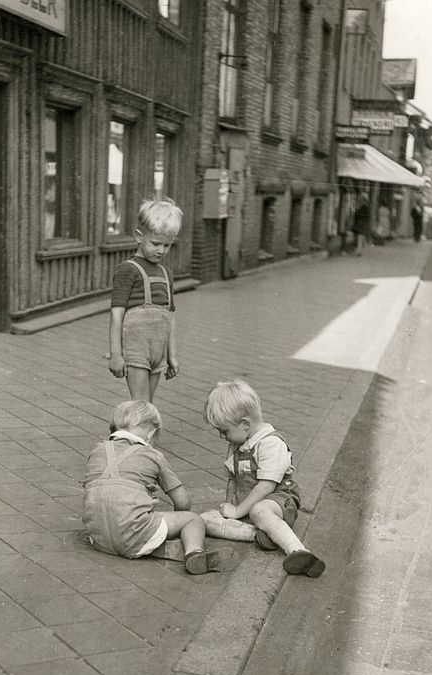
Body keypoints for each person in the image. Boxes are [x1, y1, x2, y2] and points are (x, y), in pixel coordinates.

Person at [82, 400, 222, 574]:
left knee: (118, 518)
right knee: (193, 520)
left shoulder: (97, 450)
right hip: (133, 529)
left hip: (99, 537)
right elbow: (183, 500)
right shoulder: (153, 455)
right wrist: (177, 521)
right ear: (152, 434)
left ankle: (151, 545)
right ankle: (193, 552)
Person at [203, 380, 325, 578]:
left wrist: (238, 511)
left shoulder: (271, 444)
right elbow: (233, 479)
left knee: (260, 510)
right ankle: (261, 535)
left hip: (278, 502)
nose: (221, 436)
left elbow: (266, 486)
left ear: (244, 424)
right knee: (204, 520)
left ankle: (297, 550)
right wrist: (228, 507)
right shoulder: (238, 443)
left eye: (224, 431)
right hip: (246, 506)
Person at [108, 197, 181, 402]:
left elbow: (170, 317)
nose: (161, 250)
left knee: (146, 405)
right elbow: (116, 314)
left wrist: (171, 355)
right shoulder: (128, 270)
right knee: (141, 404)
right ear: (139, 237)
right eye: (156, 243)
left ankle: (138, 434)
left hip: (158, 349)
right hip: (137, 349)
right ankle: (132, 434)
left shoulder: (166, 273)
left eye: (167, 245)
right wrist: (116, 355)